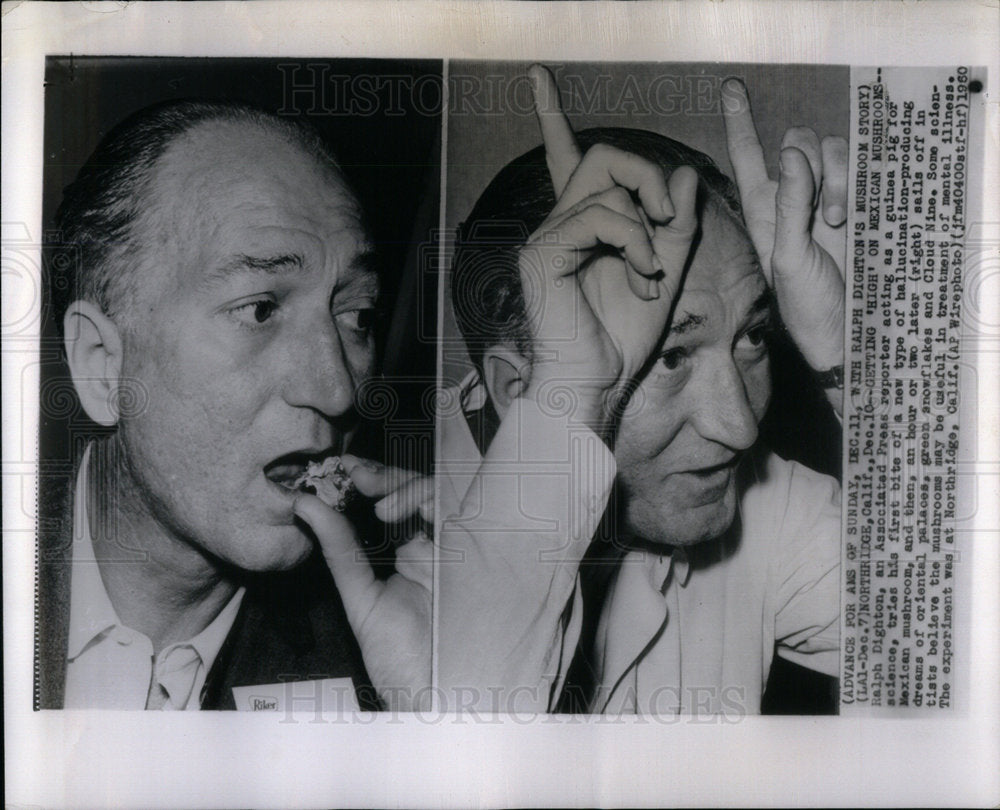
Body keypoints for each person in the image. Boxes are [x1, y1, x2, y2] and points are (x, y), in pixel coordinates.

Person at [436, 66, 847, 715]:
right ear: (523, 393)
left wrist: (868, 349)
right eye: (672, 355)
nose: (739, 428)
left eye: (754, 337)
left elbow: (957, 625)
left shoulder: (758, 504)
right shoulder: (382, 550)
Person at [36, 99, 433, 711]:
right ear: (101, 363)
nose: (337, 390)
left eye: (356, 316)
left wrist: (442, 717)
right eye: (260, 309)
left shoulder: (385, 653)